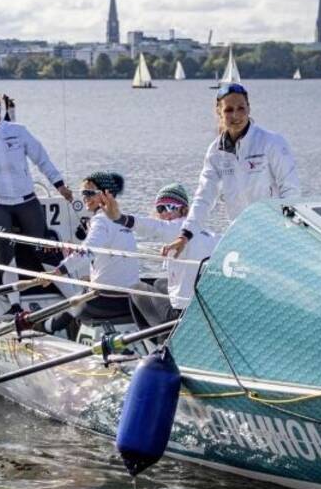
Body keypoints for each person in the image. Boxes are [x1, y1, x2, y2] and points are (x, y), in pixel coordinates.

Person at [0, 91, 74, 314]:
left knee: (43, 247)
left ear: (0, 111)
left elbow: (42, 159)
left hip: (26, 199)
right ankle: (14, 305)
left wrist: (59, 184)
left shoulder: (18, 132)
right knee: (5, 253)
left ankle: (72, 296)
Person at [163, 82, 300, 257]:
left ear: (249, 109)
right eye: (228, 110)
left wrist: (286, 234)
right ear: (218, 112)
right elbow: (204, 197)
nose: (235, 115)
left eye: (241, 108)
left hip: (276, 238)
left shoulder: (272, 142)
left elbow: (291, 192)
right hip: (241, 238)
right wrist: (184, 236)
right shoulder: (215, 152)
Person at [100, 183, 218, 328]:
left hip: (180, 315)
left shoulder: (177, 229)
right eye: (159, 209)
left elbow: (151, 227)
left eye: (168, 207)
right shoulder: (210, 235)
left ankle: (156, 341)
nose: (163, 213)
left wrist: (119, 218)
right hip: (202, 310)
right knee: (159, 283)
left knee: (135, 288)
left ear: (183, 210)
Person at [46, 171, 140, 336]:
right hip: (130, 300)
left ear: (105, 194)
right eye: (83, 194)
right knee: (84, 292)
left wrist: (56, 272)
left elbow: (86, 252)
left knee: (76, 303)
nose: (85, 198)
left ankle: (44, 328)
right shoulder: (123, 219)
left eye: (89, 193)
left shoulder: (100, 220)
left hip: (109, 301)